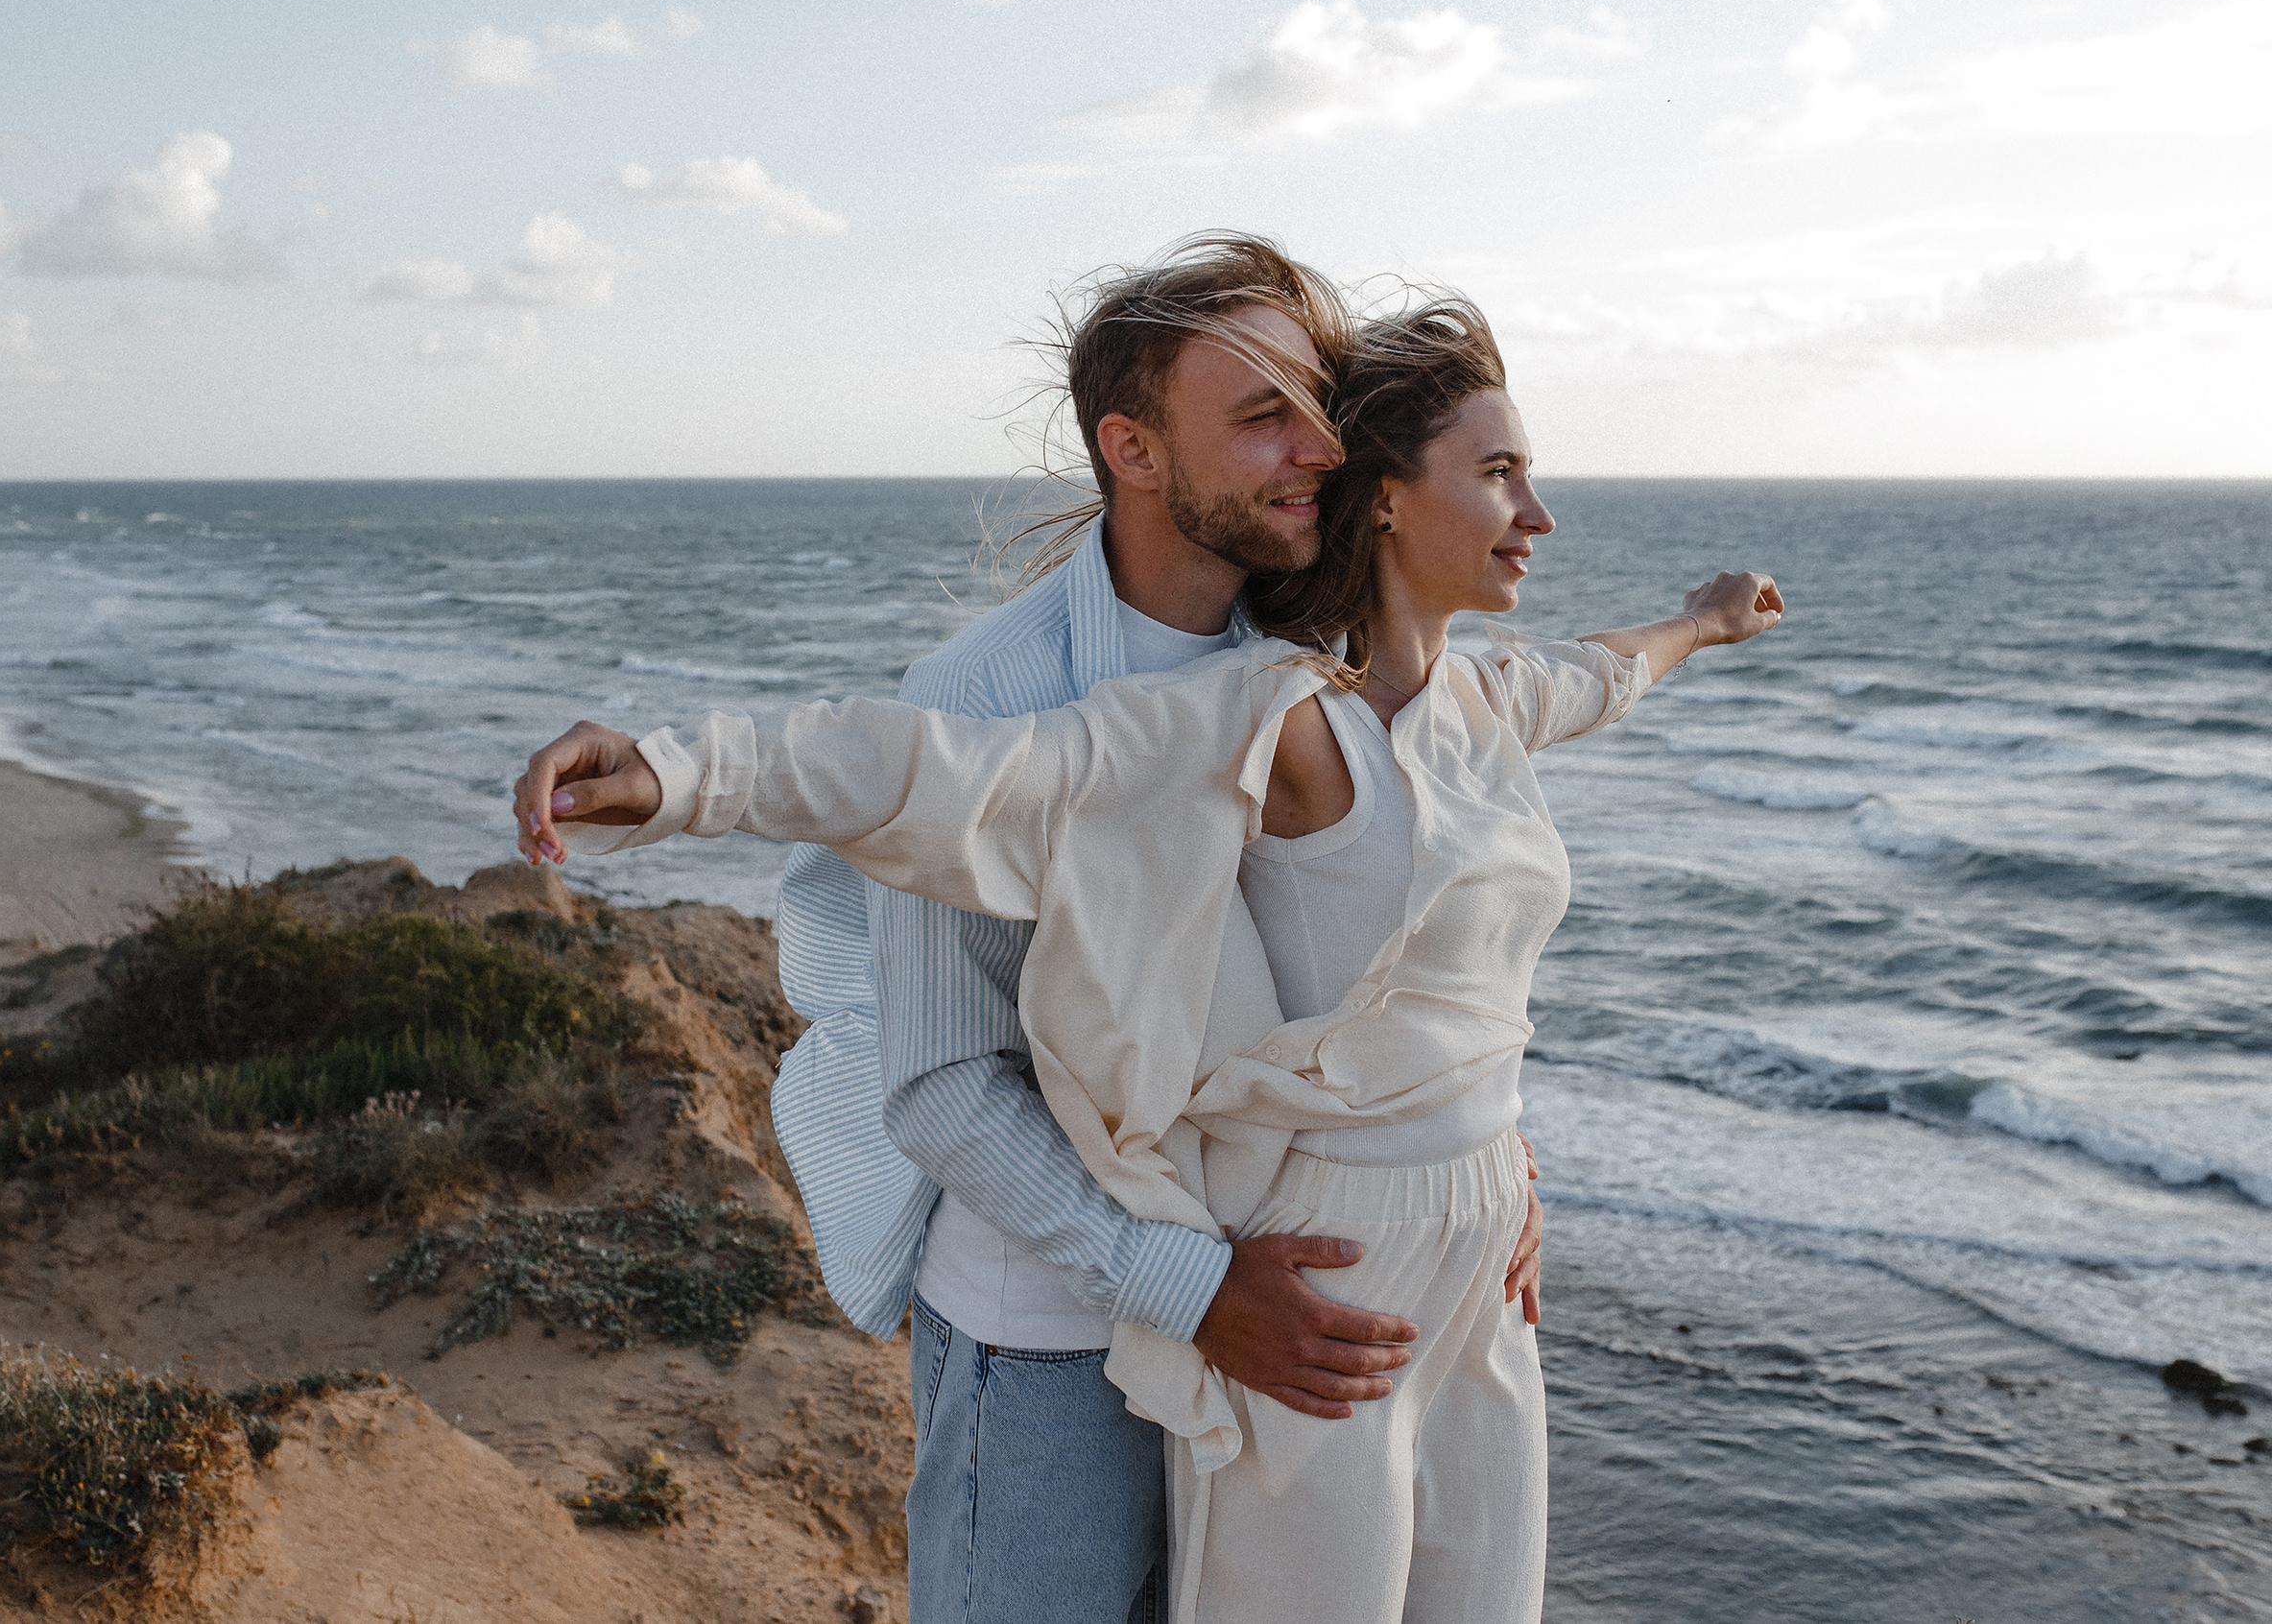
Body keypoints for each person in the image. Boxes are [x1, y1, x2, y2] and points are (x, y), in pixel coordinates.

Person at [515, 291, 1783, 1618]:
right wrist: (673, 772)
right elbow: (938, 847)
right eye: (1261, 418)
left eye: (1316, 415)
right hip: (1063, 1324)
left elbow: (1586, 680)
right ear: (1135, 448)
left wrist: (1476, 1142)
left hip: (1367, 1270)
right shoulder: (1144, 701)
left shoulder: (1357, 667)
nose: (1312, 449)